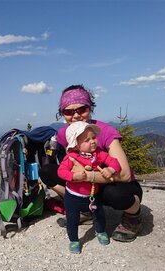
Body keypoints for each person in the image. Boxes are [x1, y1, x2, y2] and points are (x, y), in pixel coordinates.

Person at [39, 84, 143, 243]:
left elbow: (125, 175)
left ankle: (133, 215)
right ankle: (84, 209)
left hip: (117, 184)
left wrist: (85, 176)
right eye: (68, 111)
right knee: (47, 171)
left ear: (90, 108)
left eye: (82, 109)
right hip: (88, 186)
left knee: (116, 195)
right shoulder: (63, 134)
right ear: (62, 114)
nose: (75, 116)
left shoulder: (105, 131)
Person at [58, 121, 121, 253]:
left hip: (93, 194)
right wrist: (73, 177)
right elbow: (61, 172)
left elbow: (114, 162)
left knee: (99, 214)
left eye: (93, 137)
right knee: (72, 219)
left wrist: (110, 169)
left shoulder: (98, 154)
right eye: (87, 140)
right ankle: (74, 240)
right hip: (73, 197)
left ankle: (101, 231)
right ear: (76, 145)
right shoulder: (71, 157)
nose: (92, 141)